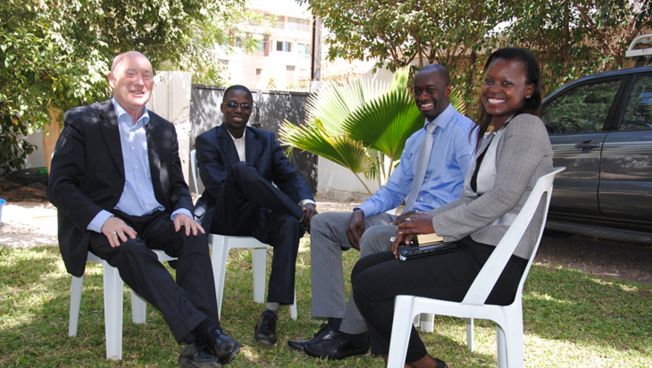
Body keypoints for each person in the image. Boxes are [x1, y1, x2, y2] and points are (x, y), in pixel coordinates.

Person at [351, 48, 553, 368]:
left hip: (493, 265)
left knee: (370, 284)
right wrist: (423, 221)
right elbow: (470, 197)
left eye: (507, 83)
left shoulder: (526, 128)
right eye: (489, 81)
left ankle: (421, 364)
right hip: (473, 249)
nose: (494, 89)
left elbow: (503, 199)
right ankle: (404, 356)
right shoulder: (498, 132)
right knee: (366, 267)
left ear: (528, 90)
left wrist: (435, 227)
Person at [47, 51, 239, 368]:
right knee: (131, 248)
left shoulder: (163, 129)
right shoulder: (83, 121)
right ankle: (207, 334)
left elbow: (178, 186)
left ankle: (199, 346)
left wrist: (182, 211)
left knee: (193, 236)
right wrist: (102, 220)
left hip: (153, 218)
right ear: (112, 80)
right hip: (106, 220)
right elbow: (59, 185)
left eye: (147, 75)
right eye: (131, 74)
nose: (140, 82)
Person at [289, 64, 477, 360]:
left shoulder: (466, 135)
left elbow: (473, 196)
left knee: (377, 235)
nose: (423, 96)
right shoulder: (417, 139)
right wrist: (360, 211)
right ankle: (335, 323)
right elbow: (393, 191)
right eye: (418, 91)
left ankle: (353, 335)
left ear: (448, 91)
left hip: (434, 230)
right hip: (404, 219)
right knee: (324, 224)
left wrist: (430, 222)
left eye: (431, 90)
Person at [194, 85, 317, 346]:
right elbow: (216, 187)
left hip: (259, 215)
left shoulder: (265, 139)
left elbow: (289, 175)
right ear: (222, 107)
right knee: (242, 172)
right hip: (227, 215)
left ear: (251, 109)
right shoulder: (207, 140)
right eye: (233, 104)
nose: (239, 110)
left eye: (245, 105)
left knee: (288, 225)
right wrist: (298, 209)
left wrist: (306, 201)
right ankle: (299, 215)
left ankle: (271, 313)